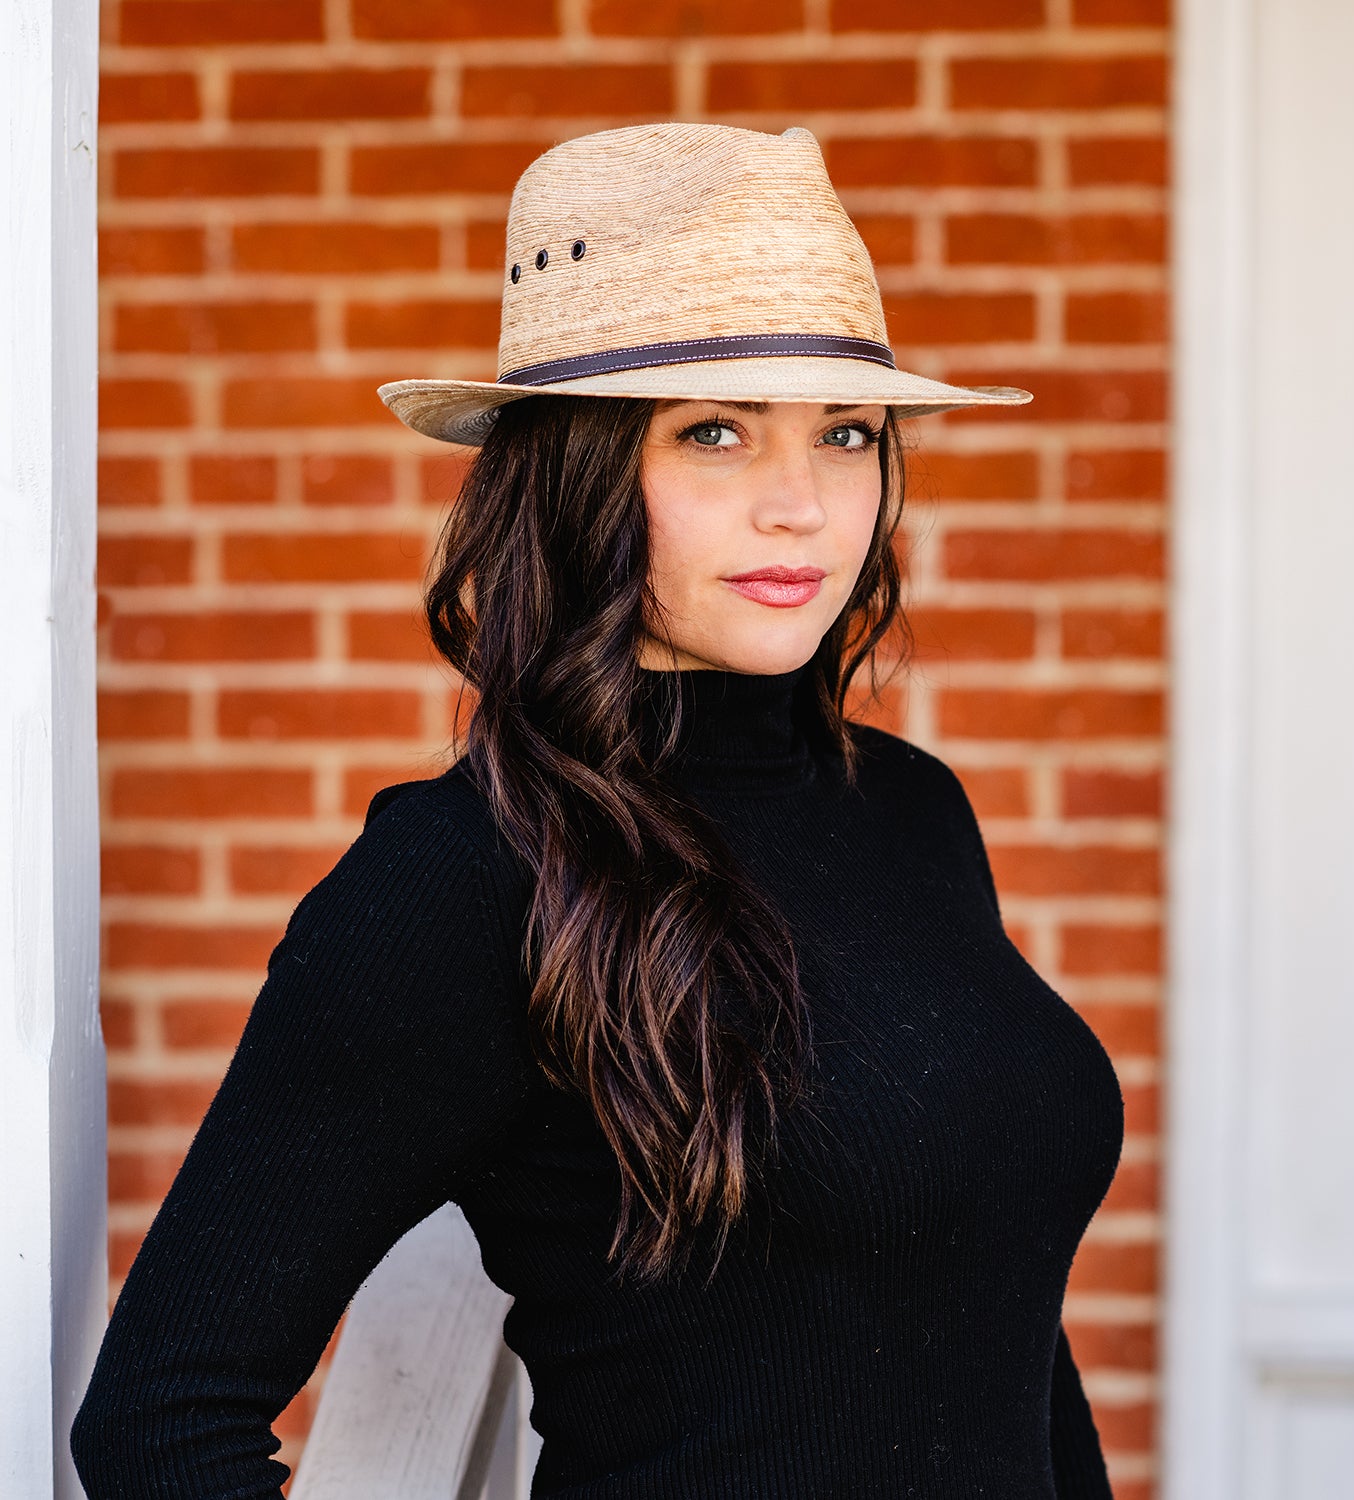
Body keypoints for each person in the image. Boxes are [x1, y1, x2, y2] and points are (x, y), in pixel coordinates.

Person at [71, 121, 1123, 1498]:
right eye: (715, 432)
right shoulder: (466, 875)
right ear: (577, 472)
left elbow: (995, 1338)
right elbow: (160, 1421)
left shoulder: (912, 813)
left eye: (847, 433)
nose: (802, 504)